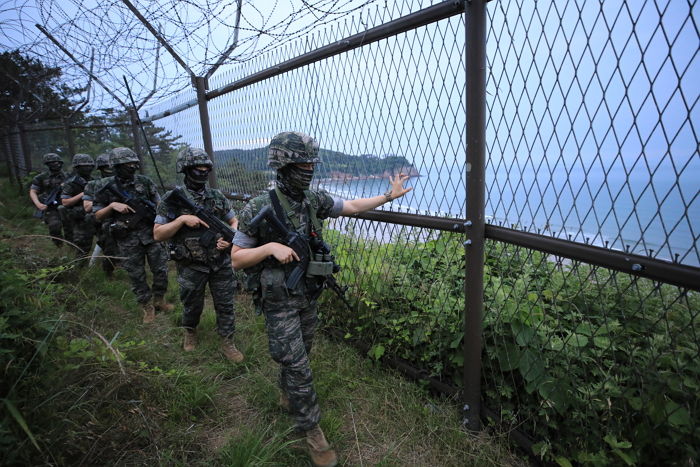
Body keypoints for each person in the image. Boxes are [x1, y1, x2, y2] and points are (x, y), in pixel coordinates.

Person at [230, 131, 412, 467]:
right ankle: (312, 430)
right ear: (283, 165)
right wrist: (270, 247)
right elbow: (237, 257)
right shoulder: (258, 205)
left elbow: (353, 205)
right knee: (298, 366)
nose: (309, 169)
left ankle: (288, 395)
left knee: (300, 356)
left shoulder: (313, 200)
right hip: (278, 299)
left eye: (312, 163)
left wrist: (389, 195)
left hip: (307, 295)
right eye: (302, 163)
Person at [153, 147, 243, 363]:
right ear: (185, 170)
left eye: (205, 169)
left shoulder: (216, 196)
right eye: (197, 169)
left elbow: (234, 221)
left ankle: (227, 341)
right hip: (191, 264)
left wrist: (230, 238)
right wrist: (181, 220)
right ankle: (190, 331)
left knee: (225, 304)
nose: (202, 172)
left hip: (220, 262)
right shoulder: (172, 199)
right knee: (192, 304)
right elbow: (157, 234)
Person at [92, 147, 174, 323]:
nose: (132, 167)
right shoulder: (104, 186)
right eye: (127, 164)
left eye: (133, 163)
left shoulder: (144, 182)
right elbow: (97, 214)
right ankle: (147, 306)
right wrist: (112, 206)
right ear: (116, 165)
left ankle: (159, 300)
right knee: (136, 274)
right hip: (127, 237)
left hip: (151, 234)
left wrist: (160, 218)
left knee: (161, 270)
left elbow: (159, 204)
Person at [84, 153, 120, 275]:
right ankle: (106, 272)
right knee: (107, 242)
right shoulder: (93, 184)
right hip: (103, 220)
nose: (110, 171)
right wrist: (108, 204)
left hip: (124, 218)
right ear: (100, 169)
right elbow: (87, 207)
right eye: (106, 168)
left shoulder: (124, 183)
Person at [29, 152, 71, 248]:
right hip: (51, 207)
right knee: (54, 227)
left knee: (70, 228)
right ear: (48, 164)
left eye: (58, 162)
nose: (56, 164)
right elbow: (33, 191)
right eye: (53, 163)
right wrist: (38, 204)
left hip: (67, 205)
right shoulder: (41, 177)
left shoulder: (68, 176)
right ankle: (60, 247)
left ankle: (72, 248)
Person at [61, 153, 96, 259]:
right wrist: (83, 194)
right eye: (84, 166)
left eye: (90, 166)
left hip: (94, 214)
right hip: (78, 217)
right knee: (82, 246)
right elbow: (65, 202)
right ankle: (78, 267)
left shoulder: (94, 180)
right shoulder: (71, 183)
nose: (88, 168)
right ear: (77, 167)